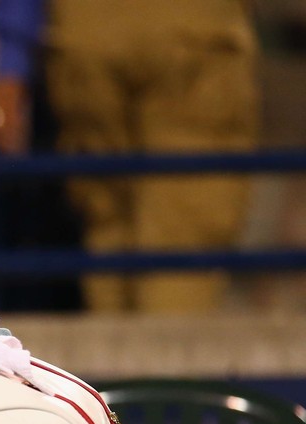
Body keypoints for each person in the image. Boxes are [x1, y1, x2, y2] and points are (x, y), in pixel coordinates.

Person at [42, 0, 259, 313]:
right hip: (192, 25)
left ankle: (109, 355)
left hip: (84, 26)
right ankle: (164, 360)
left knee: (107, 217)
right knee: (184, 222)